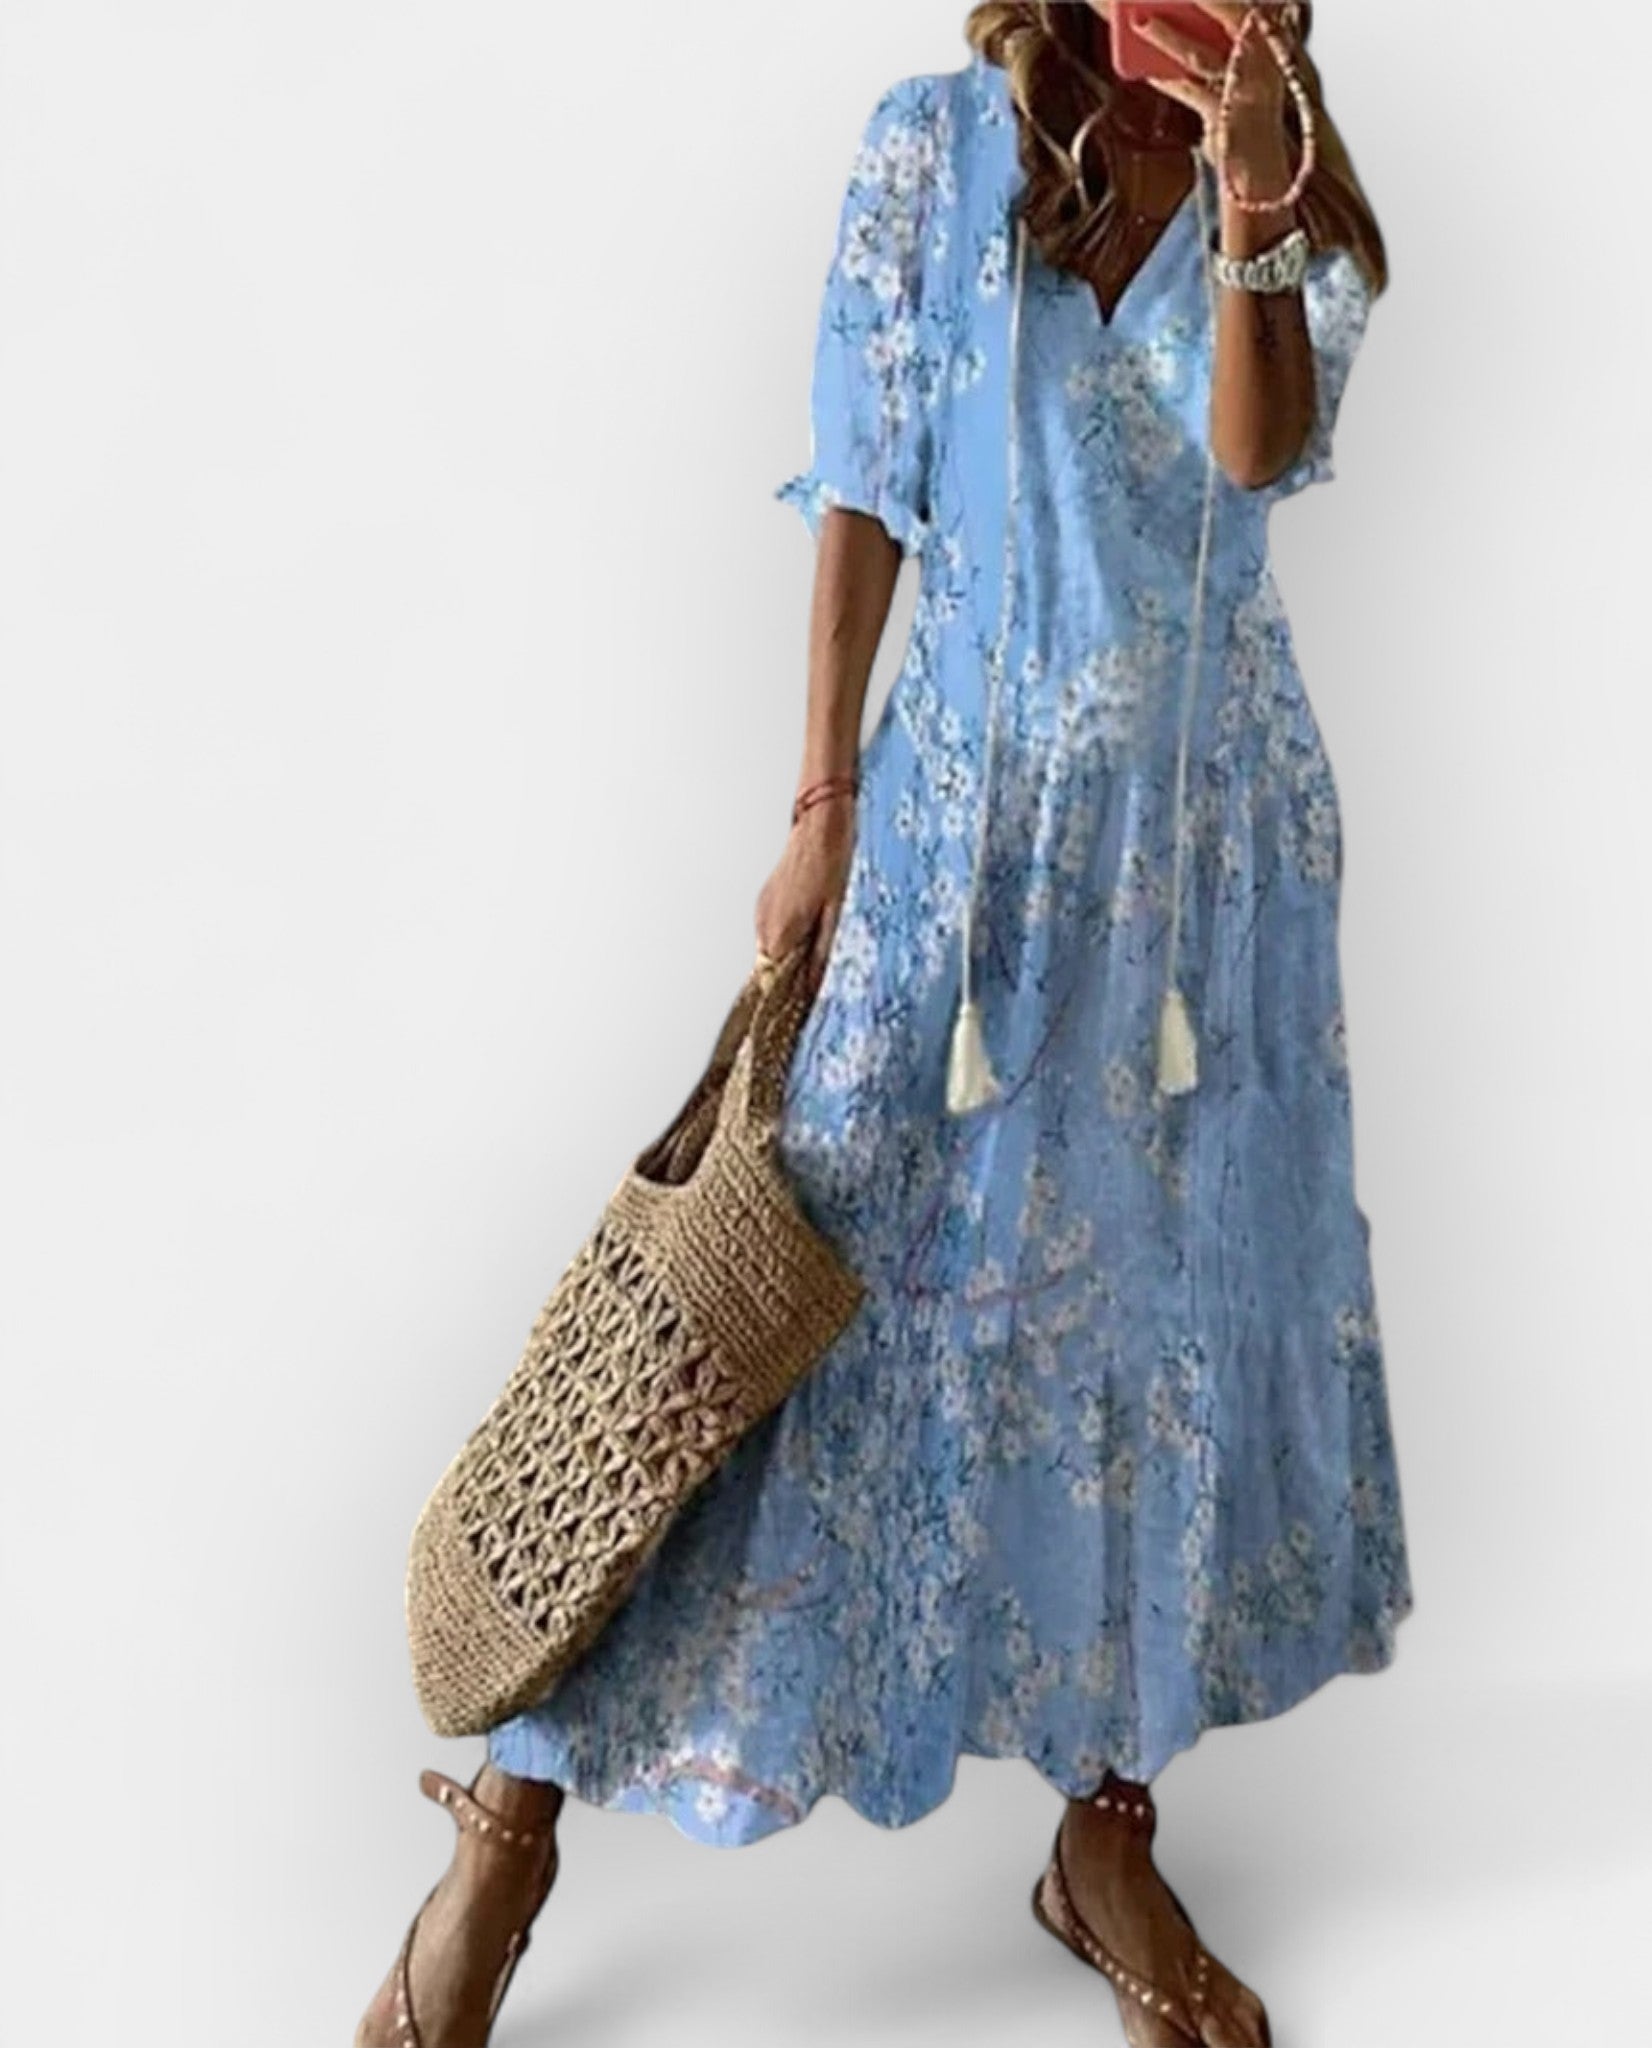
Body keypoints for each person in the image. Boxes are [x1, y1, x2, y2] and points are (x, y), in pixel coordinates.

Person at [355, 7, 1411, 2045]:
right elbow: (864, 488)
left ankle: (1105, 1837)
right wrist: (823, 802)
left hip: (1203, 882)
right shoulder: (936, 147)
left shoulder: (1298, 177)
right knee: (749, 1316)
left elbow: (1255, 456)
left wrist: (1252, 187)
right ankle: (506, 1827)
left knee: (1153, 1335)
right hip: (955, 848)